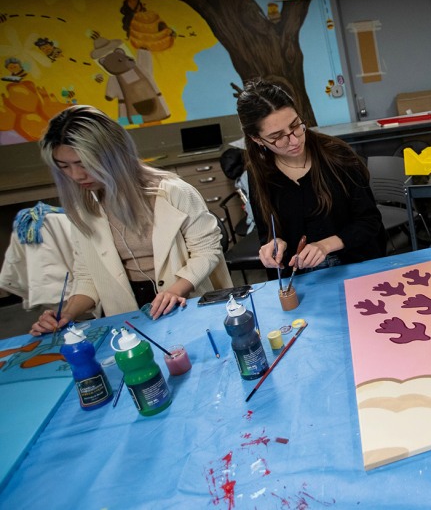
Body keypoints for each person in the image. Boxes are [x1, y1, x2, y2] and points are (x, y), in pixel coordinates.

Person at [31, 105, 232, 335]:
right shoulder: (84, 208)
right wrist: (66, 313)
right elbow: (88, 275)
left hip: (183, 298)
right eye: (64, 166)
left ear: (113, 155)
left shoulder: (173, 193)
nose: (76, 175)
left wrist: (175, 291)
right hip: (125, 314)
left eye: (83, 163)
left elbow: (207, 250)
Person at [236, 79, 385, 275]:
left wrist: (325, 246)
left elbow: (370, 221)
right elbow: (268, 234)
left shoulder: (337, 156)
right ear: (257, 139)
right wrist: (273, 244)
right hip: (300, 279)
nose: (294, 140)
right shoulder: (260, 175)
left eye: (296, 125)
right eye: (278, 137)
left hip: (356, 267)